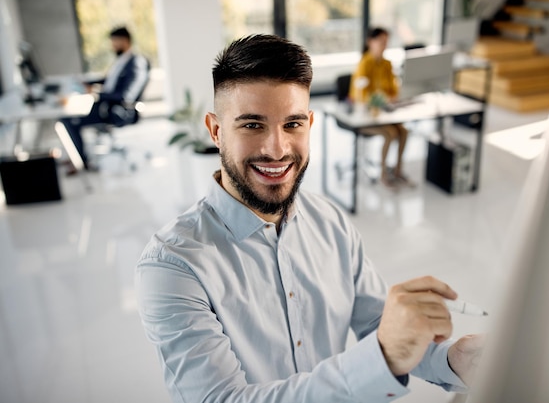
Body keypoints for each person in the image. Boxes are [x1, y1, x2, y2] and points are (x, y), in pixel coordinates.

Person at [135, 34, 483, 403]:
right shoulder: (173, 266)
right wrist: (381, 359)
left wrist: (452, 360)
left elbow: (376, 326)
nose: (277, 149)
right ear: (216, 131)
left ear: (310, 124)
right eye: (252, 125)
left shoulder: (330, 220)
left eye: (293, 124)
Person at [62, 26, 150, 173]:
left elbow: (126, 96)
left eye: (114, 41)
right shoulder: (122, 60)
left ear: (124, 41)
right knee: (68, 114)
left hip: (118, 111)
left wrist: (96, 94)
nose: (112, 45)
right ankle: (76, 155)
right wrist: (88, 84)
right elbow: (109, 81)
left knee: (69, 120)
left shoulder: (135, 63)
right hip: (106, 105)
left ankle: (81, 161)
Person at [349, 27, 414, 188]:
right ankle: (384, 174)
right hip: (367, 116)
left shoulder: (386, 64)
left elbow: (394, 91)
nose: (384, 45)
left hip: (384, 113)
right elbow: (360, 96)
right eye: (381, 41)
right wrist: (380, 99)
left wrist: (386, 98)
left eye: (386, 42)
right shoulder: (365, 63)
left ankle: (398, 171)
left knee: (404, 131)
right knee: (391, 133)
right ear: (370, 42)